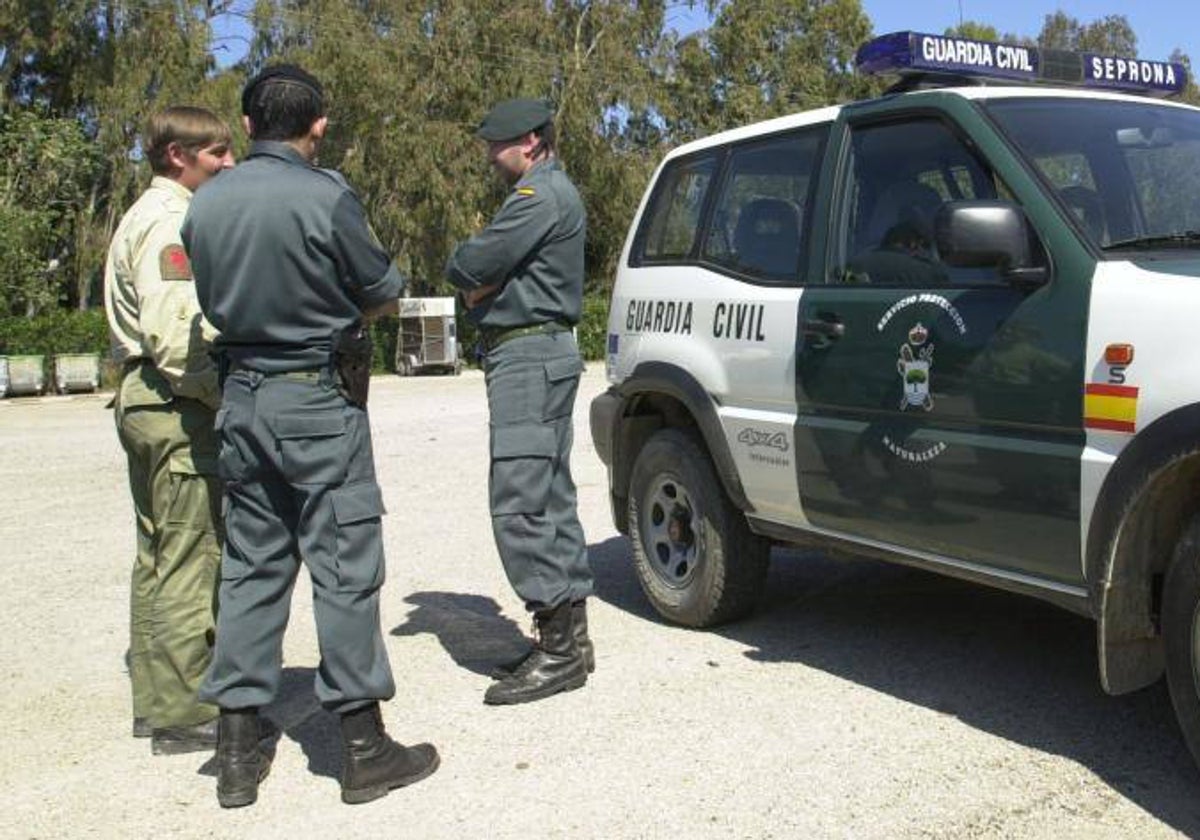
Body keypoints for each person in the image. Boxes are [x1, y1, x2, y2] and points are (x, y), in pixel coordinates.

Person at [181, 64, 438, 808]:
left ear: (248, 123)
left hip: (243, 401)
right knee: (344, 566)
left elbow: (208, 294)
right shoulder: (326, 197)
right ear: (317, 126)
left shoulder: (206, 202)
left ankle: (236, 750)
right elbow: (384, 293)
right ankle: (363, 750)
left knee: (251, 567)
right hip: (317, 401)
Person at [445, 97, 595, 706]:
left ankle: (558, 649)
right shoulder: (545, 196)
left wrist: (482, 280)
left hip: (527, 356)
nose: (488, 155)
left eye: (496, 144)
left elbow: (467, 264)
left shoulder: (538, 199)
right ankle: (570, 641)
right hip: (538, 353)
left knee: (520, 501)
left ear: (530, 142)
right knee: (549, 494)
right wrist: (489, 282)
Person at [104, 106, 234, 756]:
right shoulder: (167, 222)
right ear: (178, 156)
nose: (229, 164)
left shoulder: (145, 214)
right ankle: (187, 712)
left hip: (144, 399)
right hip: (174, 402)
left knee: (158, 555)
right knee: (191, 556)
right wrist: (224, 397)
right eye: (217, 154)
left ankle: (157, 702)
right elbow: (175, 338)